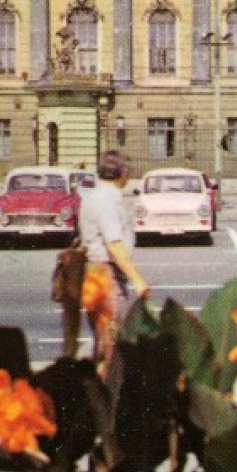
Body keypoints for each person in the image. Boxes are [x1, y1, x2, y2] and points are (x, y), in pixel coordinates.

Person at [76, 149, 150, 374]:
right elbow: (114, 244)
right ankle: (107, 402)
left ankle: (102, 397)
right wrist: (138, 280)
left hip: (95, 274)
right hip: (106, 276)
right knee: (113, 347)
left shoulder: (94, 196)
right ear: (122, 172)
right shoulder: (106, 200)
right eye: (128, 169)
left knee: (104, 344)